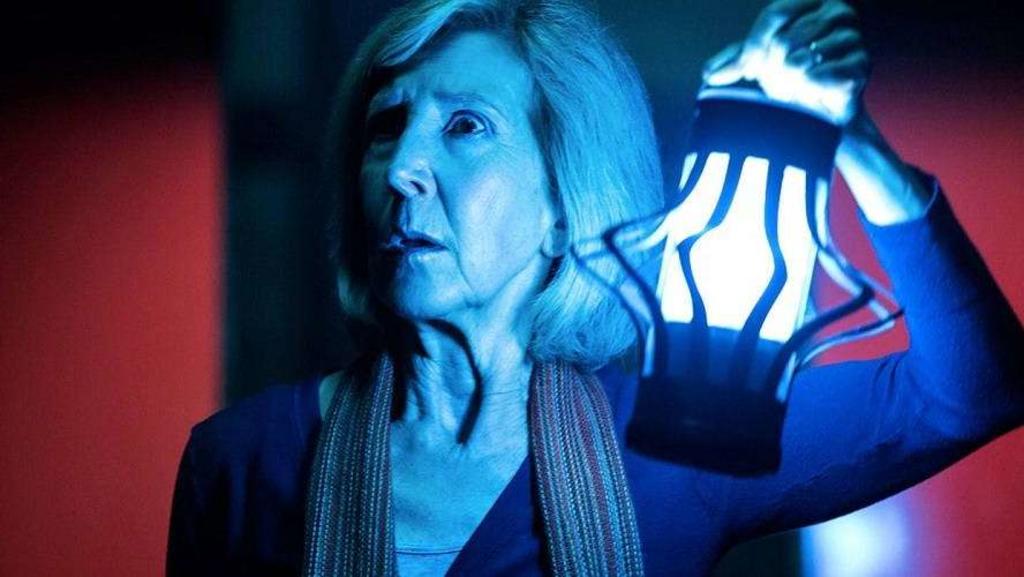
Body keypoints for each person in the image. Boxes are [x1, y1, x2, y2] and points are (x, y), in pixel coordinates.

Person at [167, 0, 1024, 575]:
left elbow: (975, 391)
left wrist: (851, 135)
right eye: (386, 126)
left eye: (465, 125)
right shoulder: (241, 463)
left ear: (562, 205)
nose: (404, 169)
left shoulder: (676, 444)